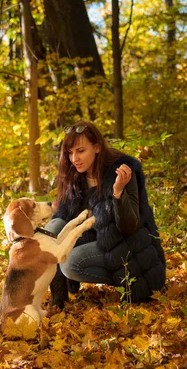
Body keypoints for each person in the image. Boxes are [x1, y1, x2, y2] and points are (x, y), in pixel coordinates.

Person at [46, 121, 165, 307]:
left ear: (97, 147)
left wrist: (118, 193)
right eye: (70, 152)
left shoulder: (122, 172)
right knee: (51, 230)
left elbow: (128, 227)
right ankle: (58, 300)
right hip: (96, 239)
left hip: (129, 247)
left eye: (80, 150)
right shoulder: (75, 175)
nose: (74, 158)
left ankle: (125, 282)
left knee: (71, 263)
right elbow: (63, 215)